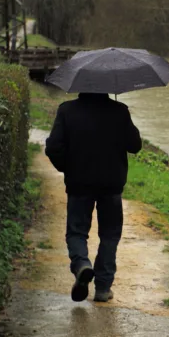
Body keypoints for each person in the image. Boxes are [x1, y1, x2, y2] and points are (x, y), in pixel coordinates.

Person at [45, 93, 143, 302]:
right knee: (109, 235)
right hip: (111, 185)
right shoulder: (119, 111)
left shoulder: (67, 110)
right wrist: (123, 118)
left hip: (79, 183)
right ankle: (103, 288)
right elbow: (135, 145)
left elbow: (53, 147)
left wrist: (67, 167)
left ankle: (82, 264)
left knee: (77, 232)